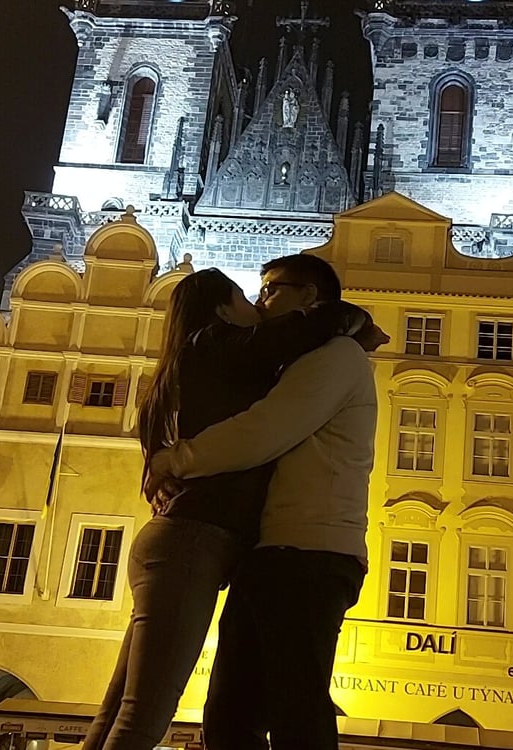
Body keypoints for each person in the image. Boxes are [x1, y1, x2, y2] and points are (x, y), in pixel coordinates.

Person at [83, 267, 370, 750]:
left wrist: (176, 459)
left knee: (135, 712)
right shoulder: (221, 345)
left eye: (269, 291)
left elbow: (263, 429)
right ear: (219, 310)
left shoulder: (306, 357)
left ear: (308, 295)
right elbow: (263, 417)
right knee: (154, 716)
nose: (258, 304)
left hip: (263, 550)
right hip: (201, 541)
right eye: (248, 294)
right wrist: (351, 319)